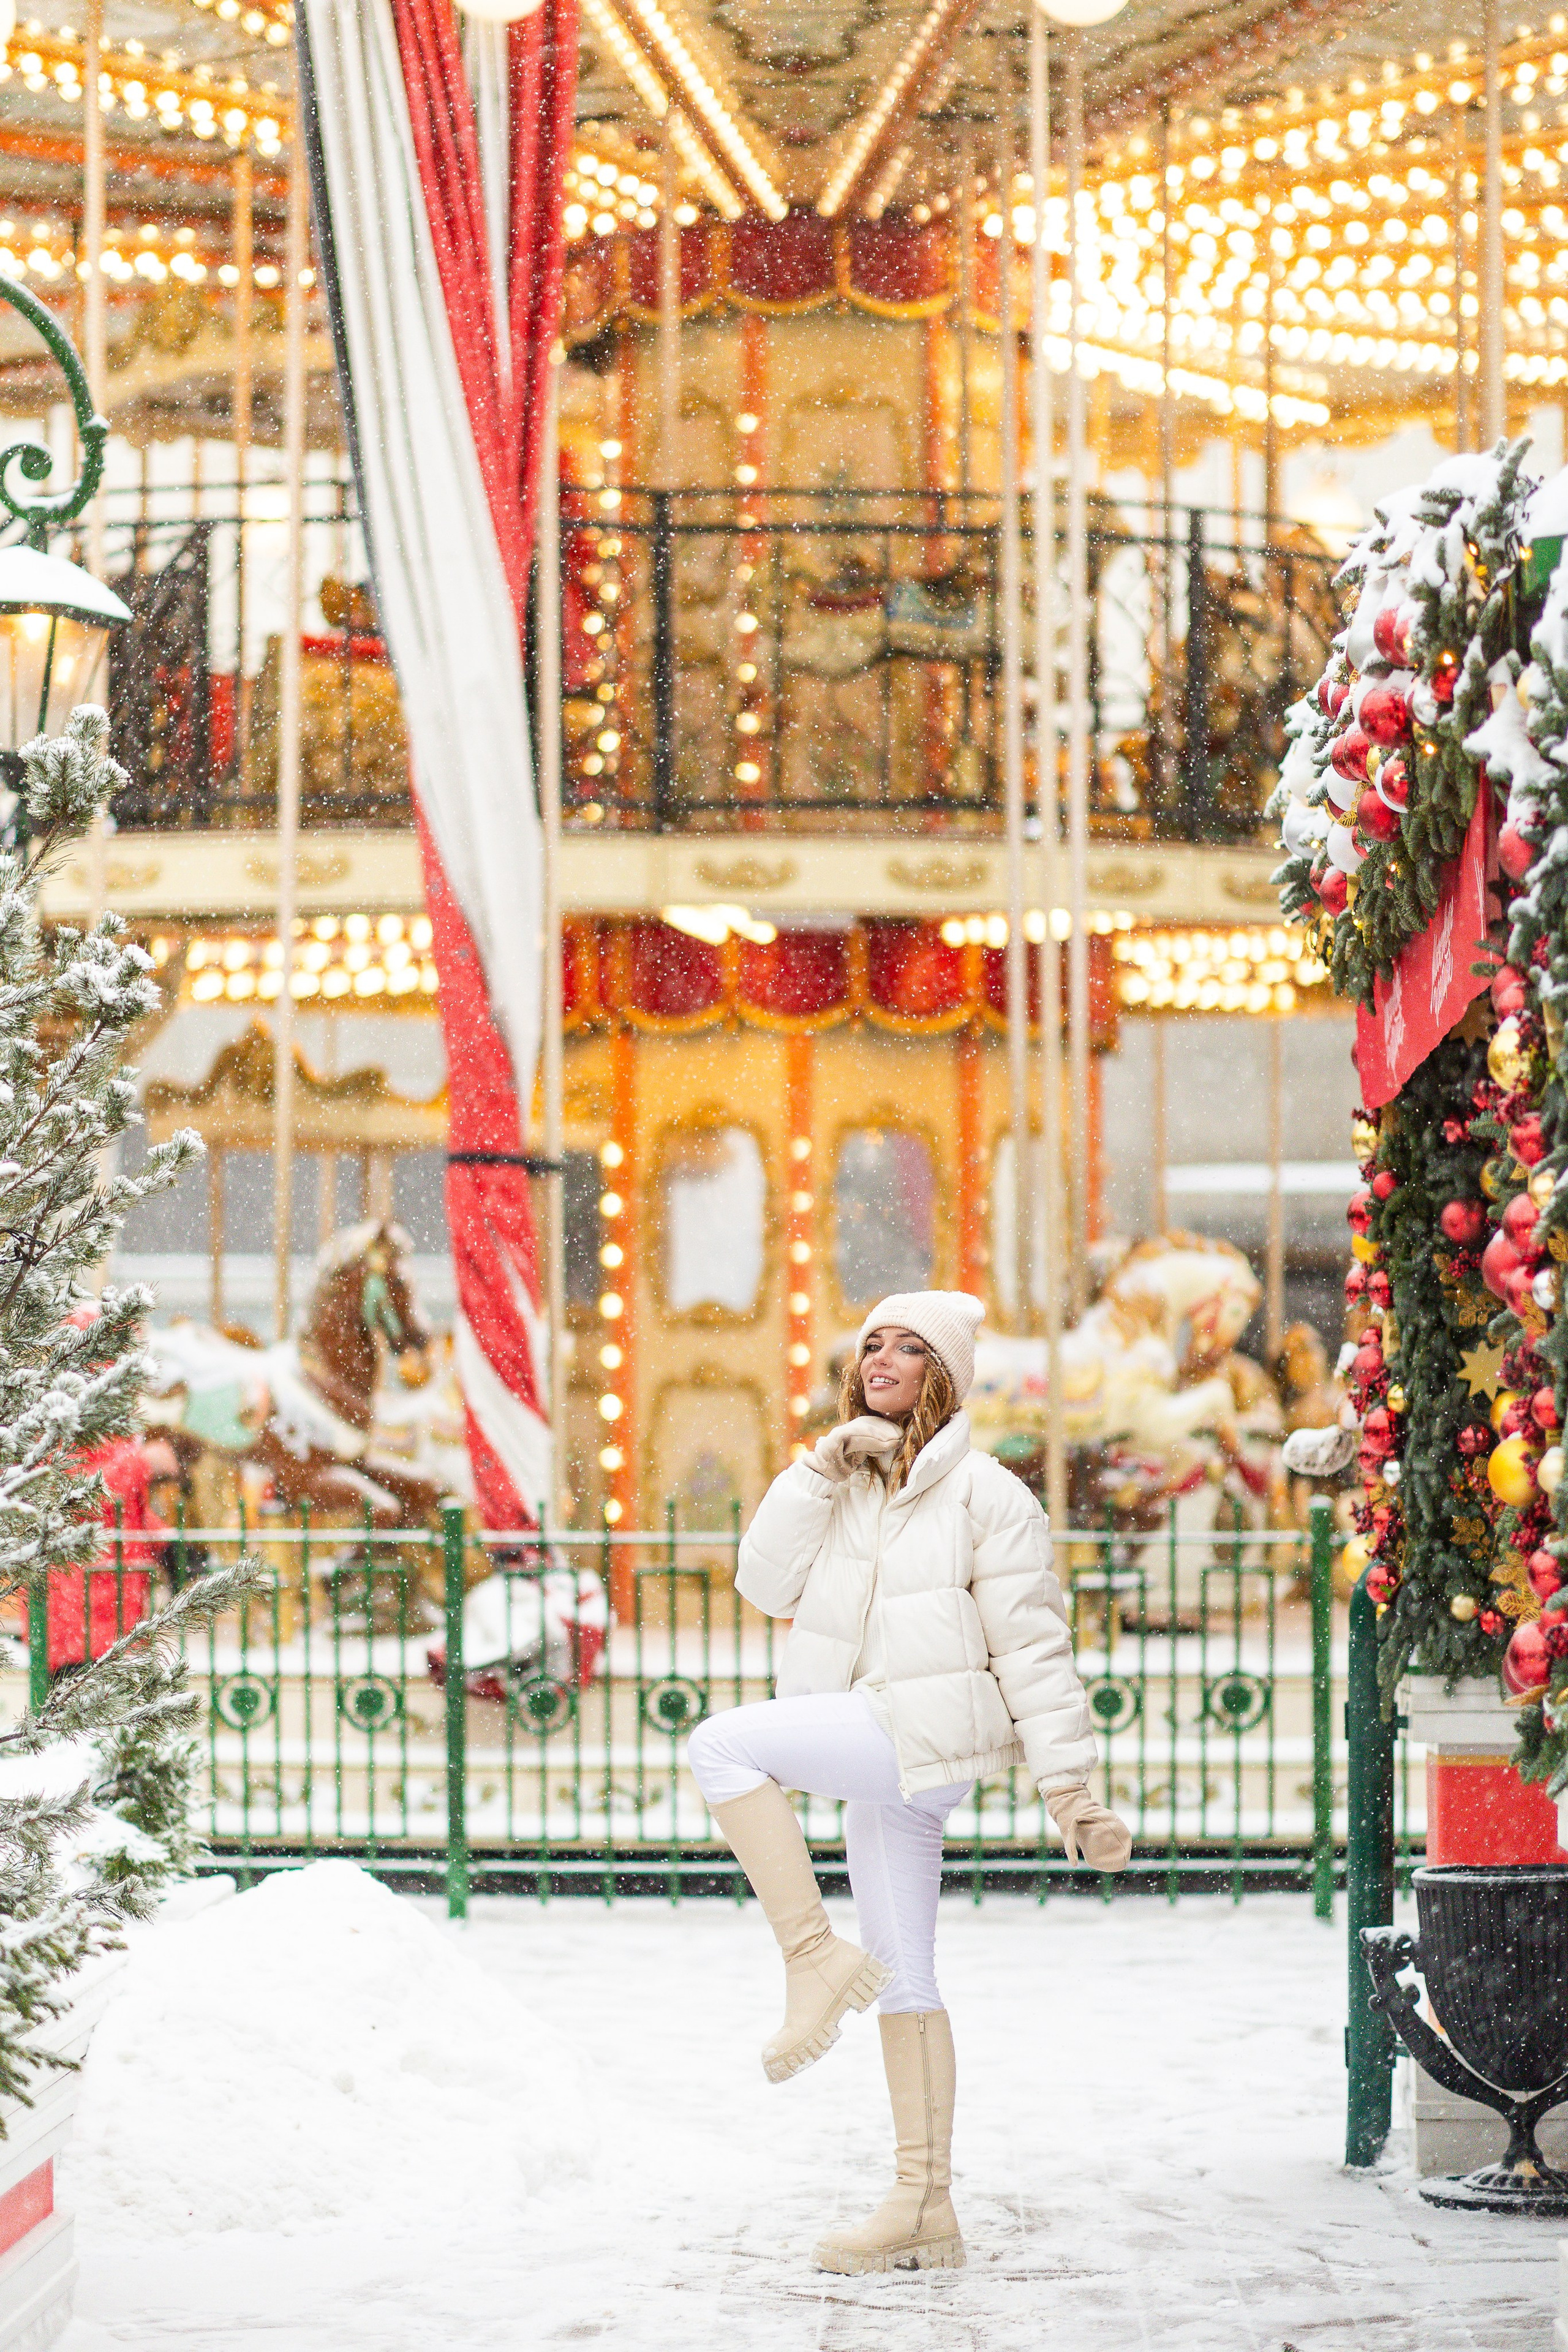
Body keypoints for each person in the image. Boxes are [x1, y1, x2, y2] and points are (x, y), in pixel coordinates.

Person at [687, 1289, 1130, 2277]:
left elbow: (1035, 1651)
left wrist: (1071, 1791)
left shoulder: (989, 1498)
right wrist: (815, 1467)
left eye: (910, 1347)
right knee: (908, 1973)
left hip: (916, 1730)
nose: (882, 1358)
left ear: (947, 1375)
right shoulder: (840, 1482)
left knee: (723, 1746)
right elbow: (762, 1584)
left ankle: (810, 1958)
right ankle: (924, 2204)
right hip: (885, 1754)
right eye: (872, 1344)